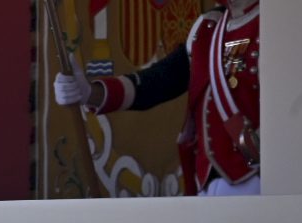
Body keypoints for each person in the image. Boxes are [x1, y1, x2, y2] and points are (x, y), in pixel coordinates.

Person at [54, 0, 260, 196]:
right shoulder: (208, 29)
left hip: (258, 179)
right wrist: (89, 92)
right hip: (204, 184)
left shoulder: (274, 27)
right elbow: (156, 83)